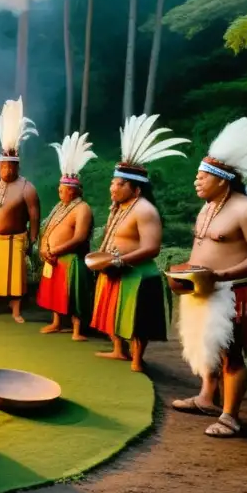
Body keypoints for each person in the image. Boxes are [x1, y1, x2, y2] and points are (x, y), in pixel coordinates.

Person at [169, 118, 247, 438]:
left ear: (222, 180)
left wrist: (224, 274)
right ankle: (206, 398)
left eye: (202, 177)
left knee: (230, 355)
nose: (196, 182)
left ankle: (230, 415)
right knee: (206, 348)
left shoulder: (246, 210)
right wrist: (185, 270)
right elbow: (203, 248)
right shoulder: (208, 208)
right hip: (204, 289)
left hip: (234, 292)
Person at [88, 115, 189, 372]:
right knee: (113, 311)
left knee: (138, 319)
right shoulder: (120, 207)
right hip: (115, 269)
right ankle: (118, 350)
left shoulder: (145, 210)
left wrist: (120, 260)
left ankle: (136, 359)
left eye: (120, 184)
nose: (113, 187)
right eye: (113, 182)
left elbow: (152, 248)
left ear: (136, 189)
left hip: (138, 274)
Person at [0, 97, 40, 322]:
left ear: (17, 165)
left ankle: (16, 309)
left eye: (9, 165)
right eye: (2, 165)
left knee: (15, 278)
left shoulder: (27, 188)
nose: (5, 169)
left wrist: (32, 240)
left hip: (15, 239)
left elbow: (34, 216)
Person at [37, 132, 96, 340]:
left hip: (72, 260)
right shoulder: (60, 207)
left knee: (74, 295)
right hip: (54, 258)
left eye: (62, 189)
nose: (59, 192)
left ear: (73, 190)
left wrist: (55, 250)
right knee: (55, 294)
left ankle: (77, 329)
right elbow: (48, 228)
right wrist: (44, 248)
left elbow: (79, 237)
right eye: (60, 189)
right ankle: (56, 322)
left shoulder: (82, 209)